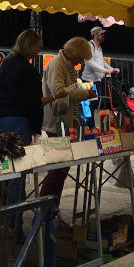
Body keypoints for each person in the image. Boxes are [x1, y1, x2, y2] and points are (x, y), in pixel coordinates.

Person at [38, 37, 94, 205]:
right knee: (58, 169)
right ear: (72, 53)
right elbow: (60, 92)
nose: (80, 63)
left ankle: (52, 208)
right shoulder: (57, 65)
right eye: (80, 58)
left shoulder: (66, 65)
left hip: (64, 122)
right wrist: (86, 94)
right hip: (56, 123)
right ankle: (46, 209)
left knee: (61, 169)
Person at [0, 30, 67, 144]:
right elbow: (35, 103)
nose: (39, 50)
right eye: (37, 46)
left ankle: (3, 163)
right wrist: (55, 96)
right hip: (16, 120)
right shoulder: (29, 70)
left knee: (0, 155)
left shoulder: (6, 61)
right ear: (30, 46)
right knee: (17, 157)